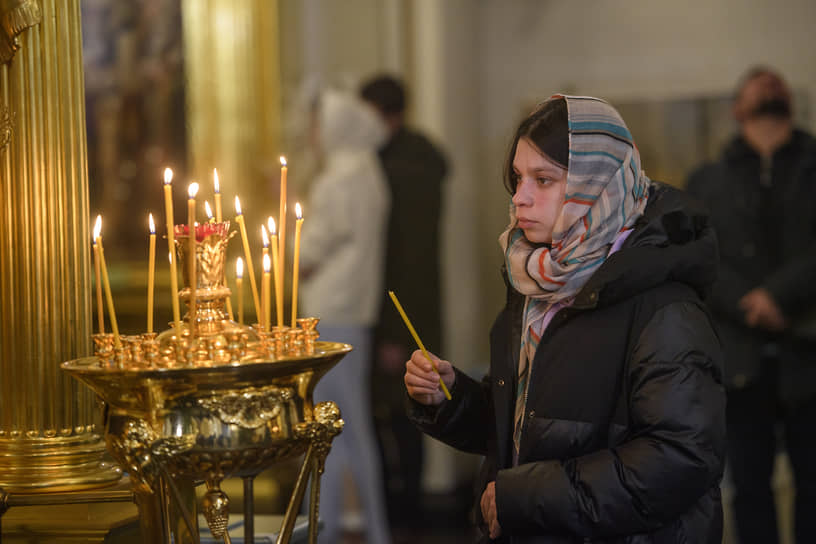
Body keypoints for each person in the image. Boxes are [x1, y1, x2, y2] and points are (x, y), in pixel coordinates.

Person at [404, 95, 726, 543]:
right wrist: (450, 397)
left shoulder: (665, 307)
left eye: (544, 179)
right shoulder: (536, 282)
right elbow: (532, 427)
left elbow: (679, 459)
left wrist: (523, 497)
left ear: (597, 187)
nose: (519, 197)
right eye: (518, 178)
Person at [686, 67, 816, 544]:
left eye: (777, 80)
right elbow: (698, 254)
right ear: (737, 108)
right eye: (757, 82)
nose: (770, 83)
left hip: (808, 349)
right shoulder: (707, 179)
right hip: (739, 354)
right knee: (748, 486)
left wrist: (778, 296)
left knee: (814, 484)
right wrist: (748, 305)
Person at [299, 88, 392, 544]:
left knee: (335, 428)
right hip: (355, 312)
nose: (312, 135)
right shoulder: (369, 171)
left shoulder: (338, 178)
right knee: (347, 427)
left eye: (317, 124)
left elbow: (307, 252)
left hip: (328, 312)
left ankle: (328, 528)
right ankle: (338, 526)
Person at [359, 74, 448, 530]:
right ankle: (401, 512)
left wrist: (394, 333)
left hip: (399, 310)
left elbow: (403, 257)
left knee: (400, 415)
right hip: (411, 305)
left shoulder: (402, 168)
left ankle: (401, 515)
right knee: (400, 416)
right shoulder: (420, 157)